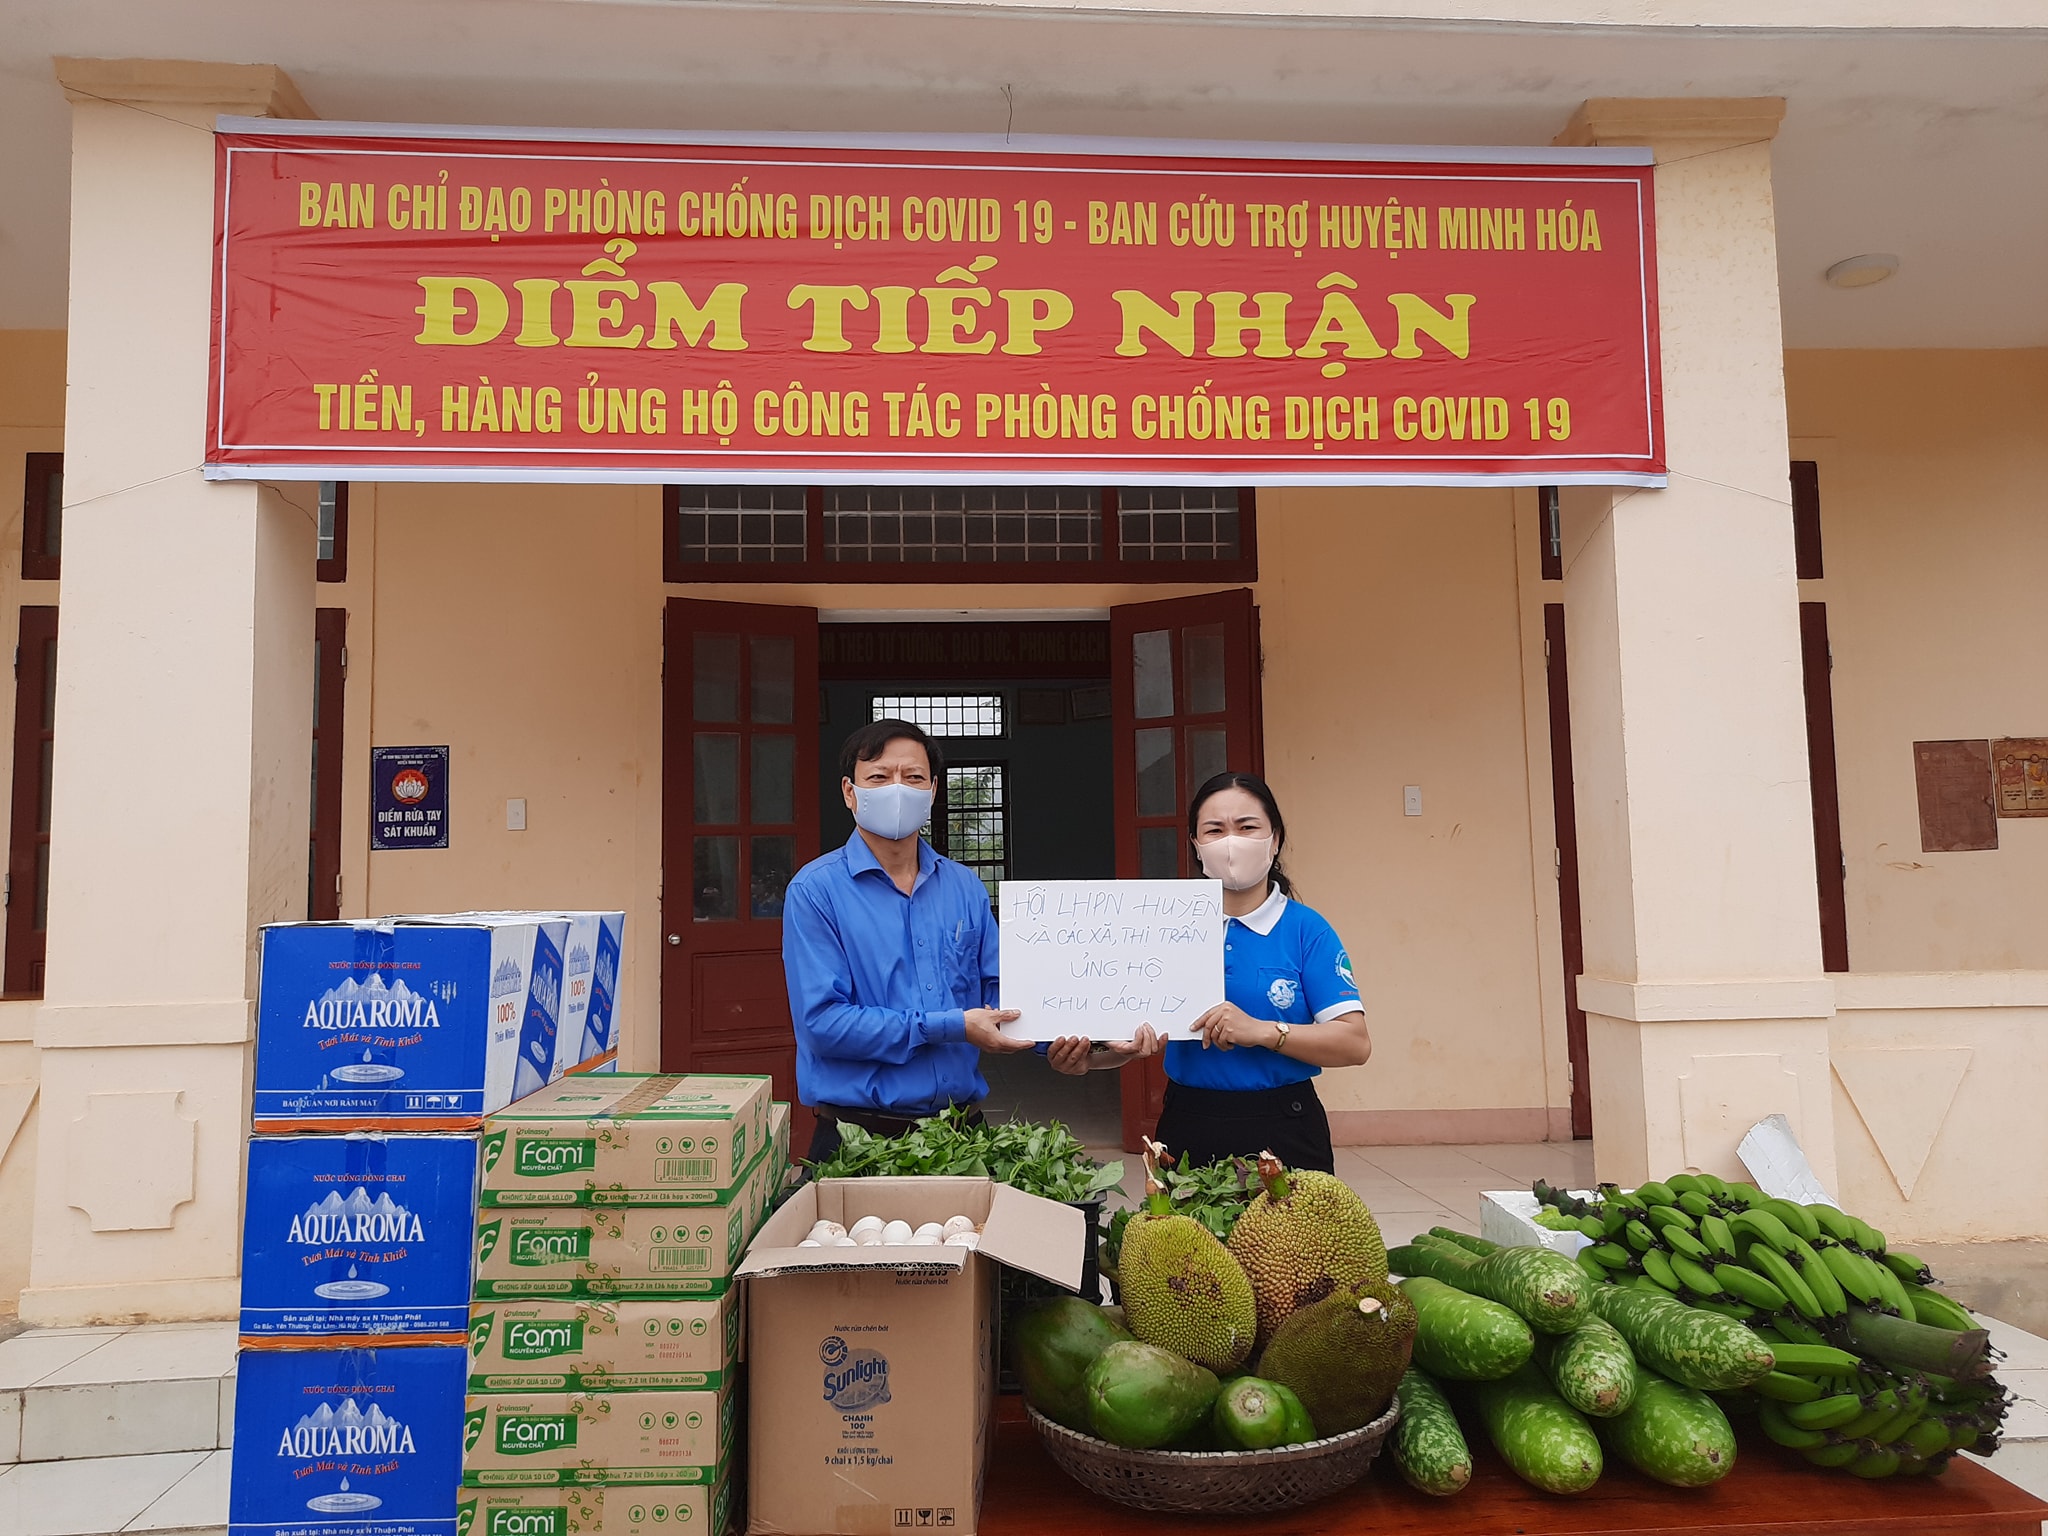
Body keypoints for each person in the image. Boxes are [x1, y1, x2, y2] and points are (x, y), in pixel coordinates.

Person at [781, 718, 1154, 1162]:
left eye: (913, 777)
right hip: (857, 1139)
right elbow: (823, 1024)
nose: (897, 789)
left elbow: (1003, 993)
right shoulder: (816, 891)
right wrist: (952, 1025)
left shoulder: (964, 887)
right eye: (879, 777)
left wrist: (1089, 1041)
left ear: (933, 791)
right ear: (850, 791)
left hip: (963, 1136)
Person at [1125, 771, 1370, 1174]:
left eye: (1246, 827)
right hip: (1187, 1122)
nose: (1231, 842)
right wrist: (1103, 1050)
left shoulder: (1306, 929)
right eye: (1215, 830)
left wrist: (1263, 1031)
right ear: (1196, 844)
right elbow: (1123, 1021)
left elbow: (1355, 1043)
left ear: (1274, 839)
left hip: (1285, 1125)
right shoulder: (1165, 927)